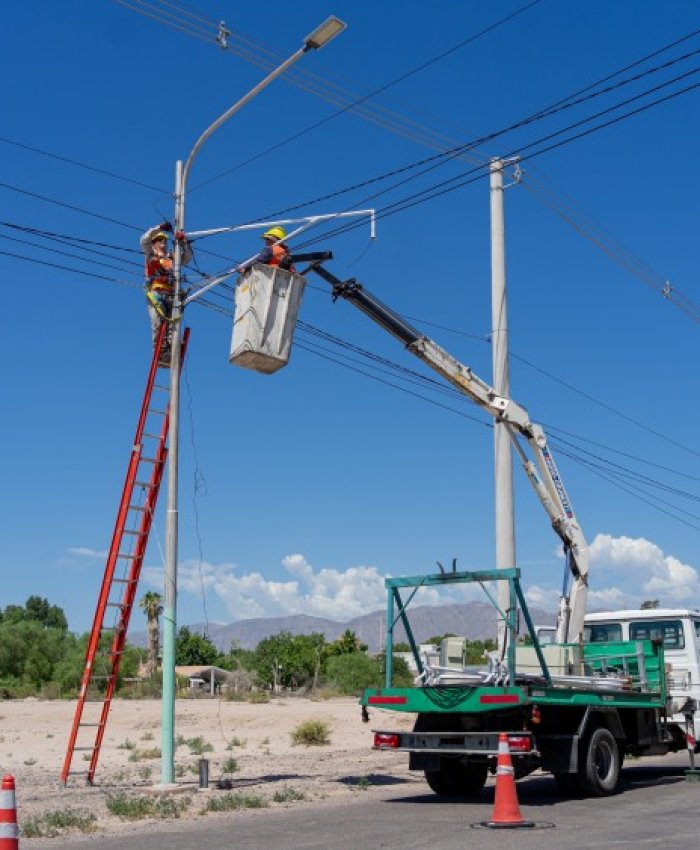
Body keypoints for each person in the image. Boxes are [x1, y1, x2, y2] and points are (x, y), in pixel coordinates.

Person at [140, 222, 191, 365]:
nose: (163, 243)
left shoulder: (171, 257)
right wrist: (159, 228)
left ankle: (170, 355)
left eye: (165, 240)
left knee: (172, 329)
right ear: (154, 243)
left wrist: (184, 242)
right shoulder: (150, 254)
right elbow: (143, 240)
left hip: (171, 296)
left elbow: (186, 258)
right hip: (155, 294)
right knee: (157, 324)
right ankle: (160, 354)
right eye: (160, 240)